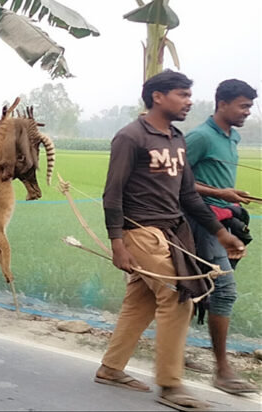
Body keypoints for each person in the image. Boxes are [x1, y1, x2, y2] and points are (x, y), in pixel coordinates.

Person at [94, 70, 245, 412]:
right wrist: (117, 242)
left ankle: (111, 368)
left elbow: (189, 196)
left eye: (189, 95)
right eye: (182, 94)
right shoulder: (131, 137)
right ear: (158, 96)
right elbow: (112, 194)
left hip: (170, 231)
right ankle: (170, 384)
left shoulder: (176, 138)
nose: (189, 102)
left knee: (142, 300)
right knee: (180, 296)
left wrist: (222, 233)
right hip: (139, 231)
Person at [184, 79, 258, 394]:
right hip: (201, 221)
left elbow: (216, 180)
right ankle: (222, 369)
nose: (247, 112)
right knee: (223, 290)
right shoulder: (200, 136)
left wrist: (232, 197)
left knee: (193, 287)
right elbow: (176, 178)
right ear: (222, 103)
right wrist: (220, 193)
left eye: (250, 107)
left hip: (223, 219)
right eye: (243, 105)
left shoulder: (233, 136)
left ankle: (176, 352)